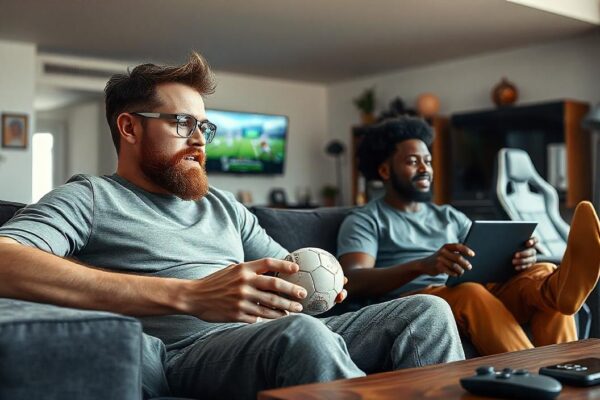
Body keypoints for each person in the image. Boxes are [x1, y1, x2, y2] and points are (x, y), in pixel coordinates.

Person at [0, 54, 464, 400]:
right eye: (182, 123)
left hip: (265, 334)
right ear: (129, 128)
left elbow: (287, 270)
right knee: (300, 335)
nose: (200, 139)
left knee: (426, 311)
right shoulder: (91, 197)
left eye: (205, 126)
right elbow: (6, 258)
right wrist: (188, 296)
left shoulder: (221, 205)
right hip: (182, 352)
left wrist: (321, 282)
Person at [337, 116, 600, 356]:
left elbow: (480, 253)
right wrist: (422, 265)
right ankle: (532, 376)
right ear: (384, 171)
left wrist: (518, 257)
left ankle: (563, 297)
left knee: (541, 273)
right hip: (419, 303)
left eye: (427, 161)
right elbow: (353, 279)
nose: (425, 169)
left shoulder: (448, 215)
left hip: (471, 292)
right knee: (469, 292)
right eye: (412, 161)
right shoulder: (366, 219)